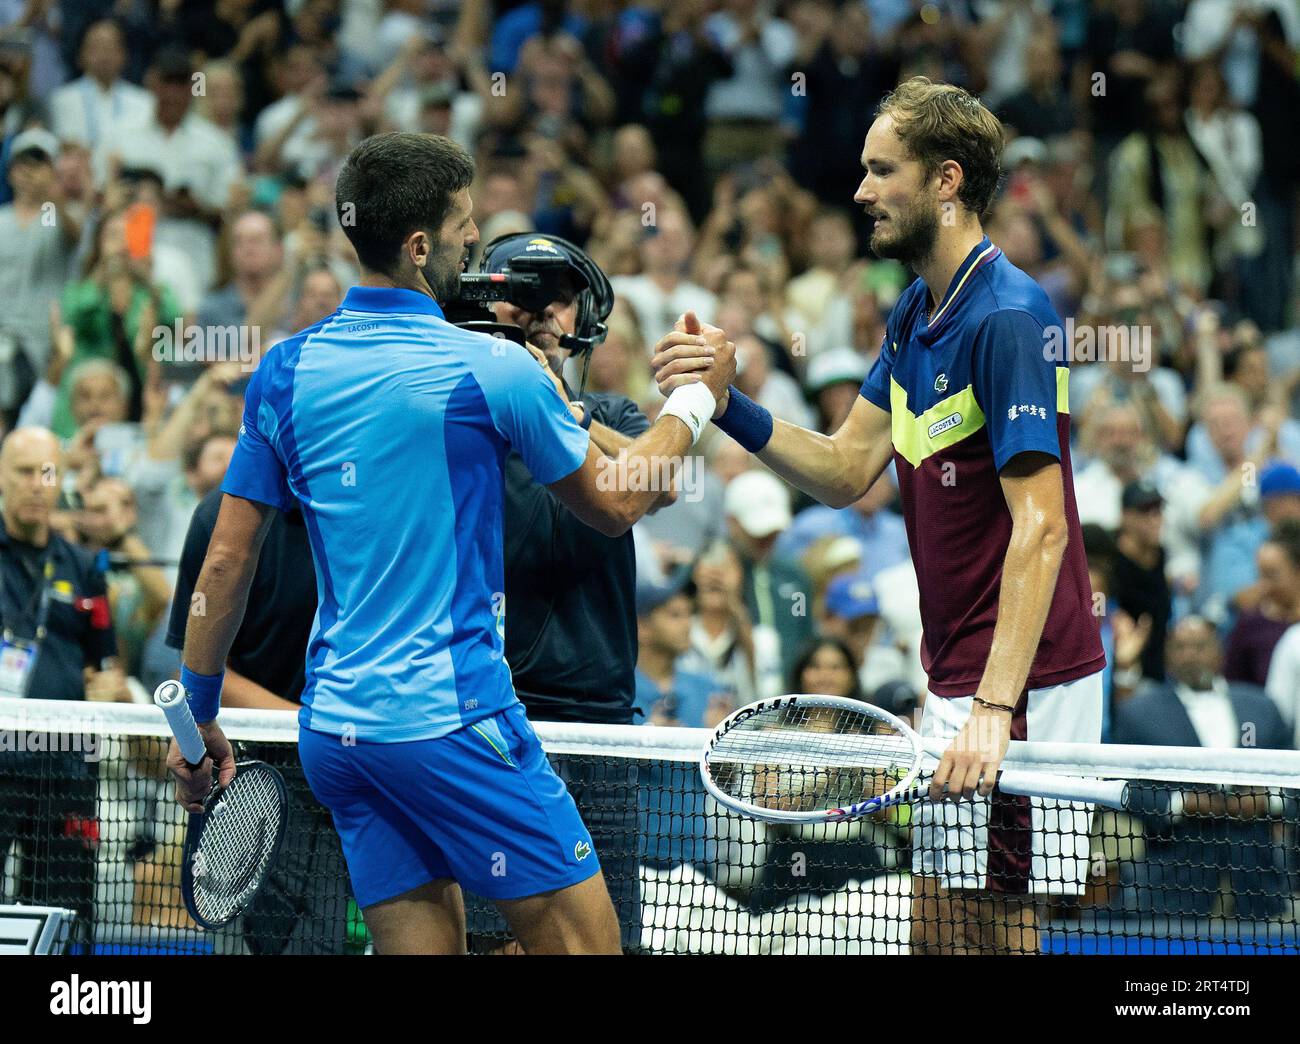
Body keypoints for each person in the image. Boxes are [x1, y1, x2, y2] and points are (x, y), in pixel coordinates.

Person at [165, 131, 736, 956]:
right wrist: (693, 402)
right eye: (465, 226)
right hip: (452, 723)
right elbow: (618, 505)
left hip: (340, 740)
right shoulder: (487, 368)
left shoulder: (284, 370)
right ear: (421, 243)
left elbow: (225, 564)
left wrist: (202, 710)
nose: (478, 245)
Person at [651, 78, 1105, 955]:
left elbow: (1041, 526)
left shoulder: (1009, 318)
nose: (859, 191)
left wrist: (995, 708)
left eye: (879, 170)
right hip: (957, 676)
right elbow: (843, 468)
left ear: (944, 180)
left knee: (1001, 929)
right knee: (939, 928)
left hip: (1026, 683)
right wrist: (727, 399)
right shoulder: (916, 312)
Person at [468, 231, 659, 953]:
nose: (545, 315)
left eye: (559, 301)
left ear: (581, 318)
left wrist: (566, 416)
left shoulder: (613, 416)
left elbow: (658, 481)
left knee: (606, 945)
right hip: (495, 721)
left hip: (602, 728)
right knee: (496, 943)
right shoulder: (470, 415)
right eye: (525, 299)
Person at [0, 427, 122, 944]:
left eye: (46, 472)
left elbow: (106, 663)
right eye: (24, 472)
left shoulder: (82, 567)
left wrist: (109, 686)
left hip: (67, 764)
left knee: (67, 910)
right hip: (1, 757)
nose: (36, 484)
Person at [1113, 616, 1293, 919]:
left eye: (1200, 646)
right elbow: (1121, 784)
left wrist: (1268, 801)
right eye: (1180, 647)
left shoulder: (1261, 707)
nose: (1190, 654)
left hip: (1257, 882)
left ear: (1219, 651)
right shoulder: (1140, 714)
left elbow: (1291, 772)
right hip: (1175, 882)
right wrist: (1183, 803)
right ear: (1168, 656)